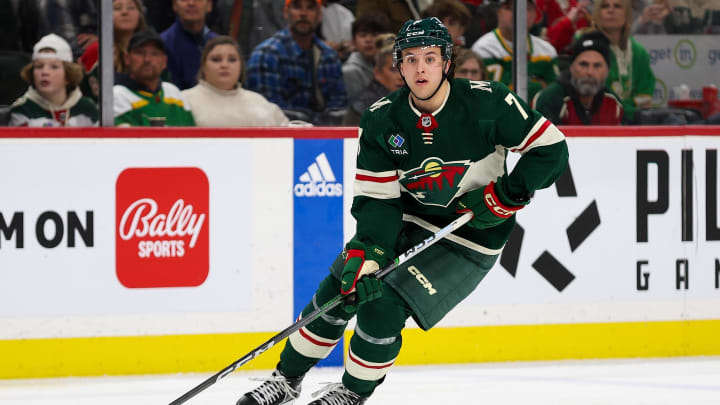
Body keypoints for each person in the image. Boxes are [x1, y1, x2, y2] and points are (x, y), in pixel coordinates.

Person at [236, 17, 568, 405]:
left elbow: (551, 148)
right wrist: (371, 252)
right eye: (410, 59)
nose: (420, 68)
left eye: (430, 57)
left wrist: (507, 195)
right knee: (340, 289)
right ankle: (286, 379)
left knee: (383, 305)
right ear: (398, 65)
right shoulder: (381, 118)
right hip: (406, 223)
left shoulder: (488, 101)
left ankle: (352, 392)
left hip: (469, 236)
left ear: (447, 62)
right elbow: (378, 200)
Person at [246, 0, 348, 126]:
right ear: (285, 12)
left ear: (319, 15)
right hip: (278, 139)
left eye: (310, 8)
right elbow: (270, 114)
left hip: (324, 138)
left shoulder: (328, 56)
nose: (303, 14)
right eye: (297, 7)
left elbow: (338, 107)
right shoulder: (266, 55)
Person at [181, 36, 289, 126]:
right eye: (216, 59)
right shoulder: (184, 101)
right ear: (203, 66)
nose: (224, 65)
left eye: (232, 59)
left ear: (241, 67)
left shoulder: (259, 102)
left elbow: (291, 138)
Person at [471, 0, 559, 101]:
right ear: (499, 12)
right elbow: (499, 95)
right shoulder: (483, 48)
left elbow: (553, 94)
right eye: (509, 8)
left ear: (535, 15)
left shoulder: (547, 50)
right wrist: (539, 84)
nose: (518, 12)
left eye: (527, 8)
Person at [533, 31, 623, 125]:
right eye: (583, 64)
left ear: (607, 71)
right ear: (571, 67)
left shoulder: (613, 103)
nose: (589, 72)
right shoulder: (549, 99)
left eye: (597, 66)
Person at [9, 34, 98, 127]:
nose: (45, 72)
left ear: (68, 75)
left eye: (54, 67)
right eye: (39, 66)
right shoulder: (22, 110)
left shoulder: (88, 108)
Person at [590, 0, 655, 122]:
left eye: (617, 6)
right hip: (596, 121)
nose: (611, 10)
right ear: (597, 14)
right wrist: (631, 104)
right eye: (605, 6)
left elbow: (646, 99)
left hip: (635, 123)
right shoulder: (588, 47)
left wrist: (622, 107)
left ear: (627, 14)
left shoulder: (639, 52)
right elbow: (592, 99)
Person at [113, 30, 195, 126]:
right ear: (127, 59)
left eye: (155, 53)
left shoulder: (173, 92)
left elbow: (192, 136)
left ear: (164, 61)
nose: (147, 59)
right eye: (140, 53)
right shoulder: (117, 95)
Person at [78, 0, 147, 101]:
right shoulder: (96, 50)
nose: (125, 12)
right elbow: (89, 94)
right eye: (117, 8)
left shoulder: (151, 51)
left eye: (131, 8)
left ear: (139, 15)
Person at [342, 33, 404, 126]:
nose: (401, 76)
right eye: (393, 70)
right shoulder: (362, 110)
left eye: (404, 69)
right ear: (377, 72)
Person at [161, 0, 219, 90]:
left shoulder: (220, 44)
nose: (191, 3)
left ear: (209, 5)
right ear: (174, 5)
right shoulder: (162, 44)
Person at [342, 16, 388, 103]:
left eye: (375, 35)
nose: (368, 40)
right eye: (363, 35)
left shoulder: (387, 64)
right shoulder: (350, 71)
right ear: (353, 42)